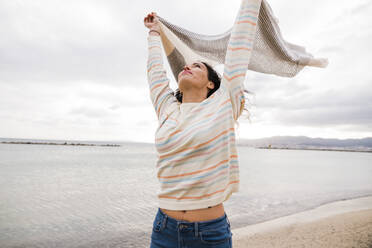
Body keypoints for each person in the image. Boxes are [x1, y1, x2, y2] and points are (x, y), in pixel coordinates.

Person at [144, 1, 261, 247]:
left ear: (211, 84)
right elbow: (155, 72)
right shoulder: (167, 109)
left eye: (196, 66)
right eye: (186, 65)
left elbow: (240, 42)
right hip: (164, 228)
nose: (187, 66)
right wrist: (154, 32)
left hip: (208, 234)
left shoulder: (223, 103)